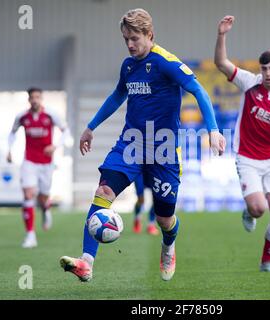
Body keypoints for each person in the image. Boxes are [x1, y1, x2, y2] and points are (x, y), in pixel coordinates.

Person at [60, 8, 225, 282]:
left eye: (134, 38)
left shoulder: (166, 62)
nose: (130, 44)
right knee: (103, 191)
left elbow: (199, 91)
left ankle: (168, 244)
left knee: (164, 220)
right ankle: (86, 262)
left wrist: (214, 130)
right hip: (131, 144)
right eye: (126, 39)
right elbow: (117, 96)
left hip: (163, 148)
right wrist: (91, 127)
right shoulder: (128, 66)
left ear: (149, 34)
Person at [214, 16, 270, 272]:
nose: (267, 74)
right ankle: (249, 211)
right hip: (247, 158)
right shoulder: (249, 82)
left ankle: (267, 261)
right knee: (258, 209)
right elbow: (221, 63)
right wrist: (222, 35)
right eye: (264, 69)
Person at [7, 87, 70, 248]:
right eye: (32, 97)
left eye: (37, 97)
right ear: (29, 100)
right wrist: (9, 150)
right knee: (28, 194)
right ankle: (30, 235)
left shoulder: (51, 114)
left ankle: (46, 208)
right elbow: (12, 133)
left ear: (41, 99)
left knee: (43, 196)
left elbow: (66, 132)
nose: (35, 100)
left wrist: (55, 146)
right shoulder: (22, 116)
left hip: (46, 163)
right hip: (29, 161)